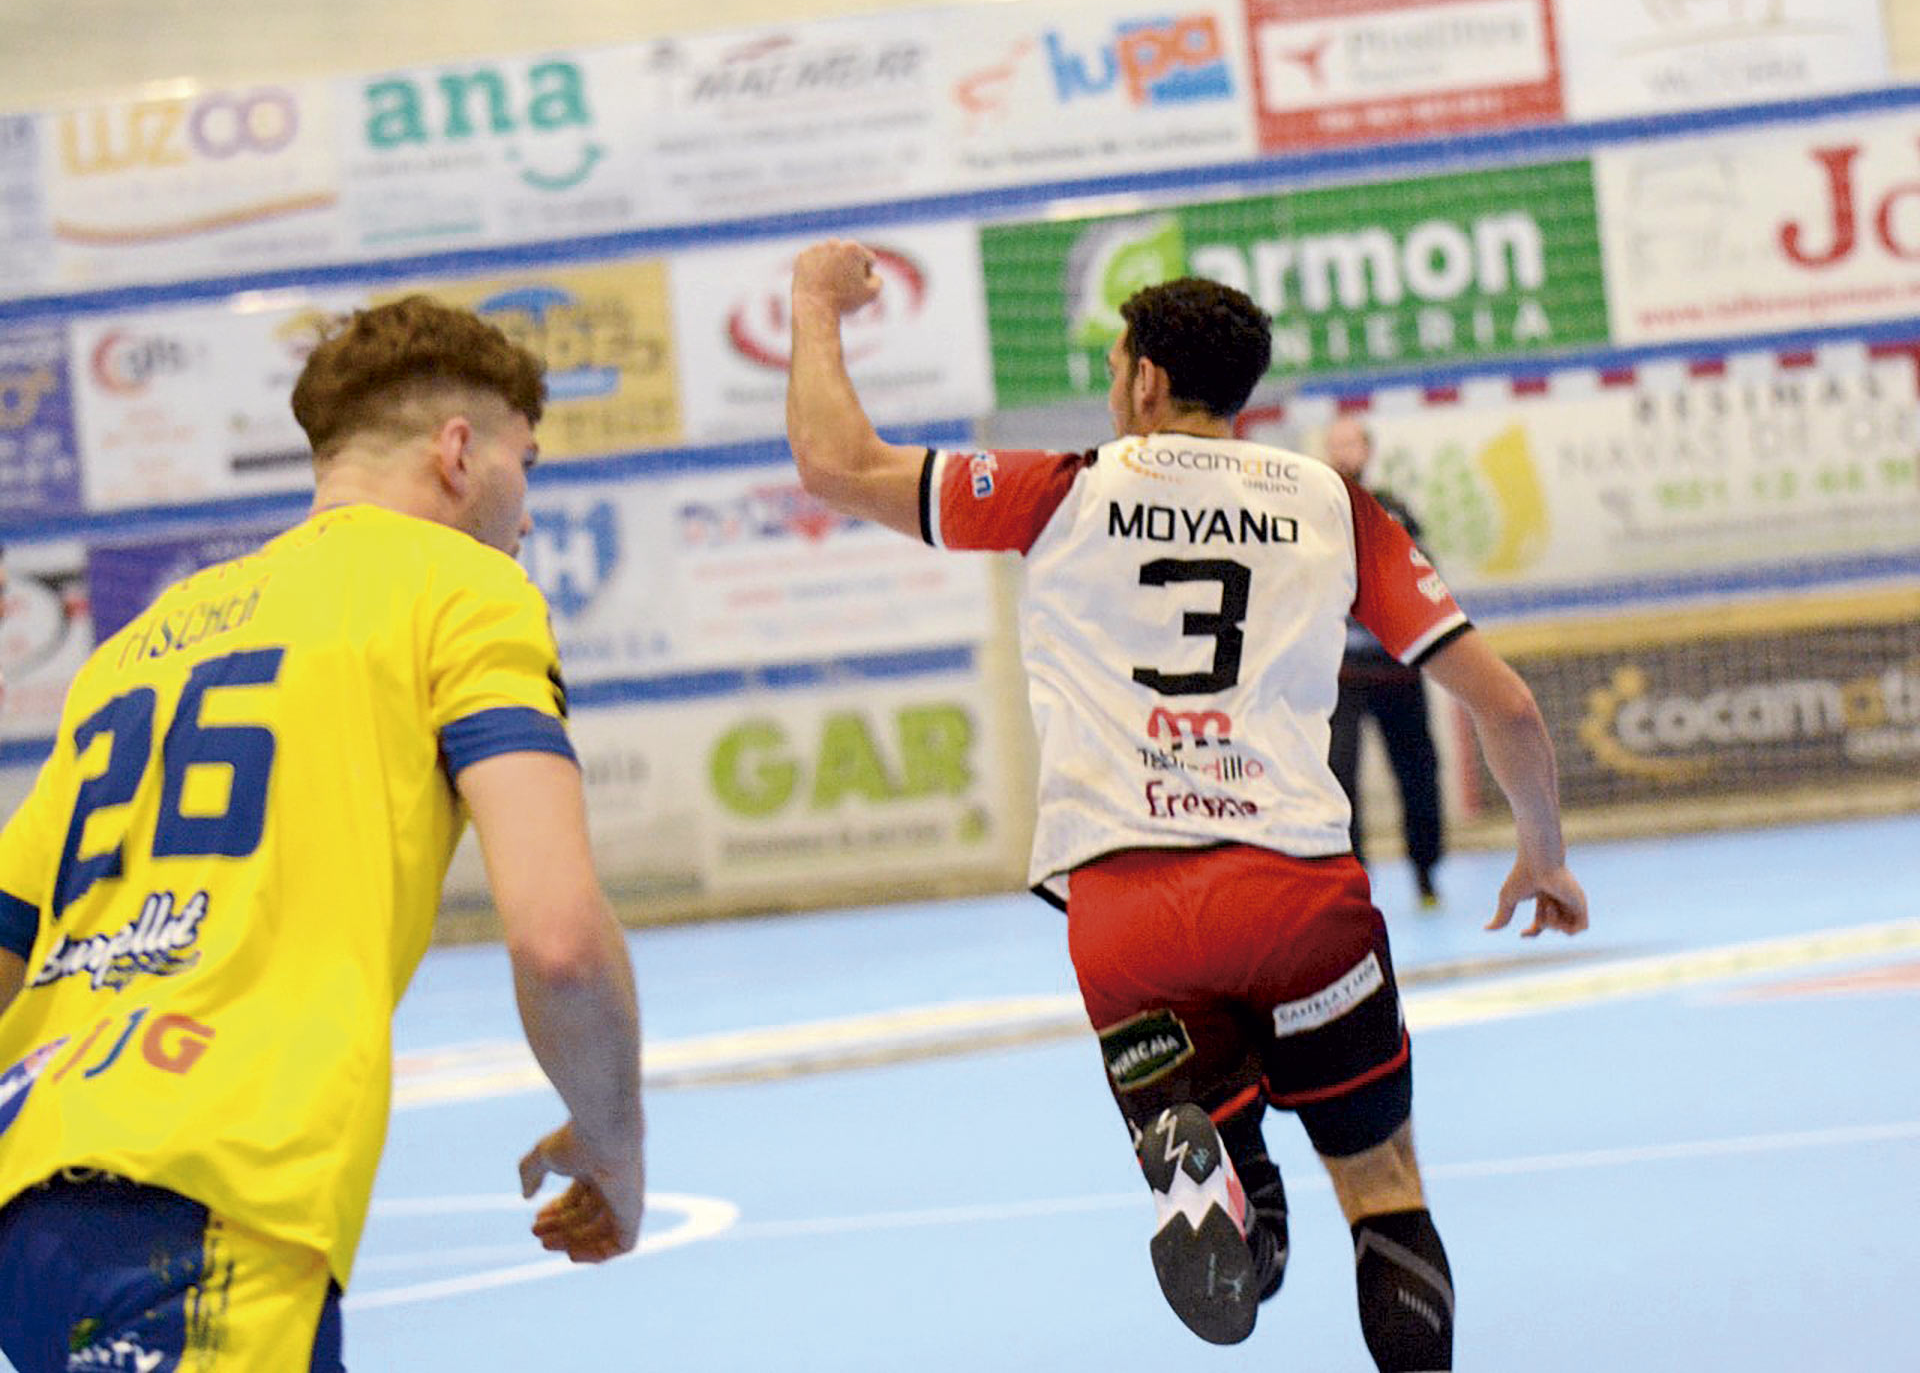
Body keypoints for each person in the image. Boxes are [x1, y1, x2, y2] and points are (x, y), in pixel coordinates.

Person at [784, 240, 1587, 1369]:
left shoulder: (1057, 490)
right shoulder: (1332, 504)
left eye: (1118, 365)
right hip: (1296, 896)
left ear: (1146, 381)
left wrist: (816, 303)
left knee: (1225, 1170)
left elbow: (831, 462)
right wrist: (1541, 855)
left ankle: (1217, 1182)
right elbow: (1505, 708)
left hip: (1125, 919)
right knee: (1384, 1186)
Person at [0, 296, 645, 1371]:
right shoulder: (465, 587)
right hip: (211, 1190)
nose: (527, 514)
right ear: (457, 453)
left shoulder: (139, 644)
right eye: (525, 465)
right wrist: (615, 1143)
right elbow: (561, 942)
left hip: (30, 1201)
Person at [1323, 415, 1447, 911]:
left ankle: (1426, 871)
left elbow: (1419, 579)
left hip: (1396, 670)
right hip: (1340, 677)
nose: (1342, 454)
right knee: (1338, 779)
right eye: (1335, 446)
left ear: (1367, 451)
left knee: (1417, 769)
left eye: (1350, 445)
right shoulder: (1314, 514)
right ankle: (1354, 882)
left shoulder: (1394, 512)